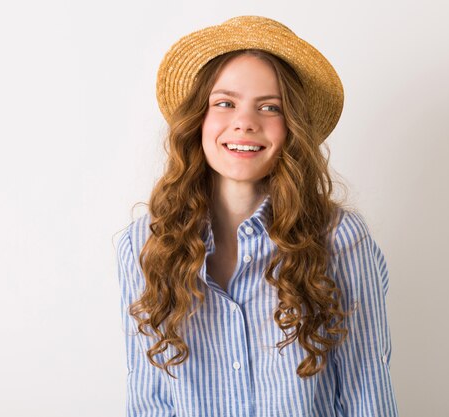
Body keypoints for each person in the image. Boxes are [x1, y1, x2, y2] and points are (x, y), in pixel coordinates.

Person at [117, 16, 398, 417]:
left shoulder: (339, 239)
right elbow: (148, 401)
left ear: (291, 128)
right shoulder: (144, 242)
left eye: (270, 107)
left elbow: (366, 393)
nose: (245, 122)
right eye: (225, 103)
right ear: (198, 119)